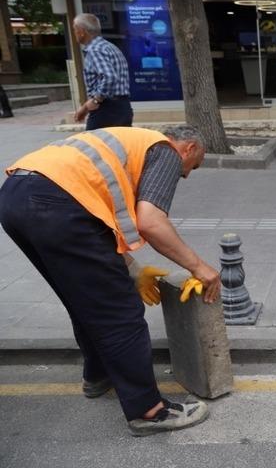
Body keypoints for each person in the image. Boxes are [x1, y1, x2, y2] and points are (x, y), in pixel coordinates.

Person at [0, 126, 221, 436]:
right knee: (121, 313)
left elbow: (96, 219)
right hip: (55, 202)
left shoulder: (127, 146)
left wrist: (134, 269)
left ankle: (98, 375)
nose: (185, 175)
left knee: (82, 300)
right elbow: (150, 221)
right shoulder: (165, 151)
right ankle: (149, 411)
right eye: (193, 167)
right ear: (190, 148)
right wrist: (200, 267)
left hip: (15, 195)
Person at [72, 14, 133, 130]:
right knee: (119, 141)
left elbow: (109, 77)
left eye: (75, 29)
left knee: (93, 140)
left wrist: (96, 100)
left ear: (81, 31)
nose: (74, 33)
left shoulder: (95, 50)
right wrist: (86, 107)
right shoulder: (110, 47)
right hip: (122, 107)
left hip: (107, 110)